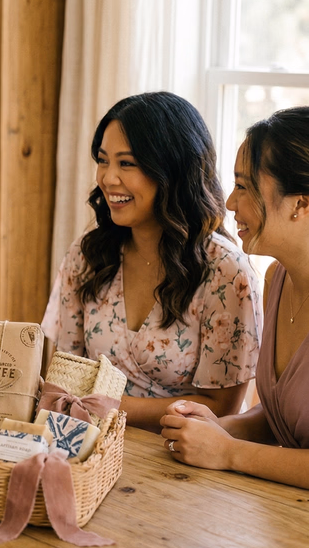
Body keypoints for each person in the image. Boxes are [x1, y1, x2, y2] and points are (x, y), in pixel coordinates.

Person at [41, 92, 262, 432]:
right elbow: (64, 375)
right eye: (103, 160)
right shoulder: (86, 256)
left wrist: (111, 406)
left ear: (173, 170)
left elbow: (220, 408)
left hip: (182, 459)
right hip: (87, 448)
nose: (108, 178)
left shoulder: (226, 273)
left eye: (127, 163)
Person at [161, 107, 309, 489]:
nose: (229, 203)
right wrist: (215, 429)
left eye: (244, 186)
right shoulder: (278, 279)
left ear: (301, 204)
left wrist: (228, 452)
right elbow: (286, 417)